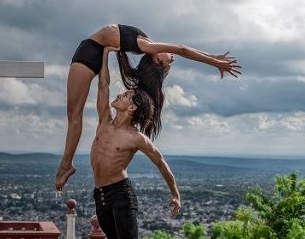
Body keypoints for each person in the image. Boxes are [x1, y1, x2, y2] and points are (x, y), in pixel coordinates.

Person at [56, 24, 241, 190]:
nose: (173, 57)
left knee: (74, 114)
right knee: (74, 113)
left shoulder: (147, 47)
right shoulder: (146, 44)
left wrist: (215, 62)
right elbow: (184, 50)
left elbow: (183, 49)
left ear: (158, 59)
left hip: (89, 54)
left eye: (169, 61)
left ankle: (66, 165)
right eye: (171, 59)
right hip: (94, 51)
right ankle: (66, 164)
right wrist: (213, 57)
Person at [91, 47, 180, 239]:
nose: (119, 95)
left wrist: (175, 194)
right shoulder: (104, 121)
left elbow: (160, 161)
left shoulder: (135, 137)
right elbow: (103, 85)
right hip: (100, 196)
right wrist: (105, 53)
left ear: (131, 107)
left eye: (125, 96)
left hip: (121, 195)